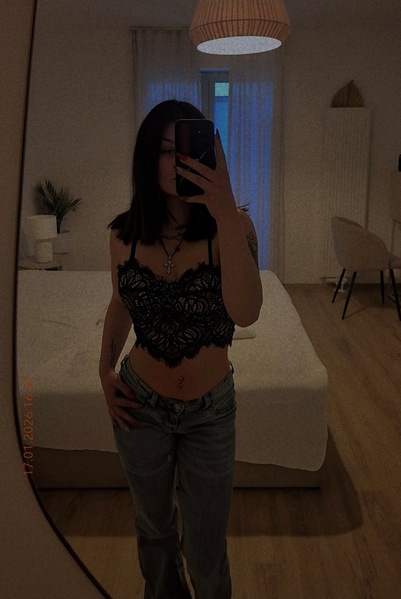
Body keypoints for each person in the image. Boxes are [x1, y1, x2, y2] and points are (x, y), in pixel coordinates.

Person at [99, 99, 262, 599]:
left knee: (206, 551)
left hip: (211, 414)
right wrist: (104, 370)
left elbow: (246, 312)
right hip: (140, 407)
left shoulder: (234, 227)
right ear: (148, 158)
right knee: (154, 535)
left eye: (187, 150)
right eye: (165, 151)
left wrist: (224, 208)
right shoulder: (122, 235)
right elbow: (121, 303)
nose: (177, 162)